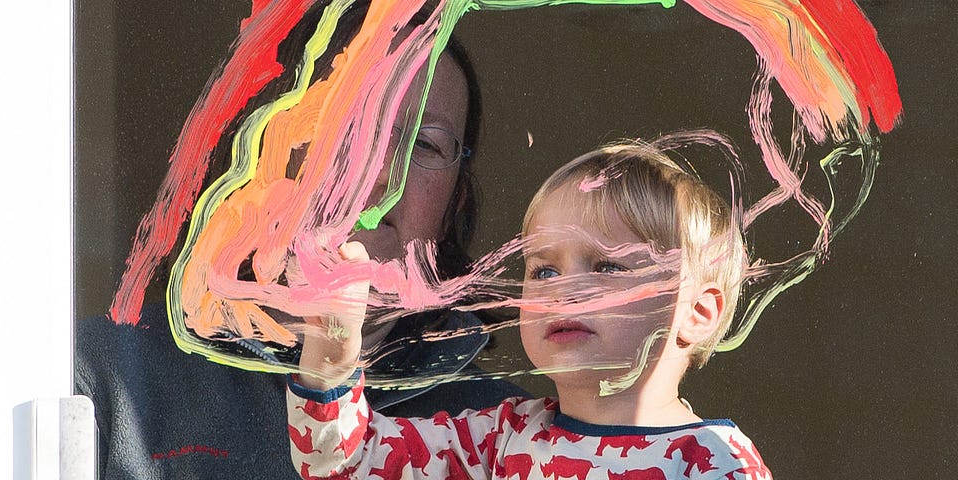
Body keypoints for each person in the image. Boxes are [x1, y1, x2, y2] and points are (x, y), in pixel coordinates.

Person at [75, 3, 528, 478]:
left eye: (424, 143)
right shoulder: (101, 381)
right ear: (265, 147)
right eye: (344, 122)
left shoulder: (504, 440)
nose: (375, 176)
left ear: (454, 204)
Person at [284, 136, 772, 479]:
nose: (562, 290)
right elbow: (346, 465)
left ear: (697, 313)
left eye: (607, 266)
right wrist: (332, 350)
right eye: (544, 271)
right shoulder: (500, 437)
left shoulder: (714, 462)